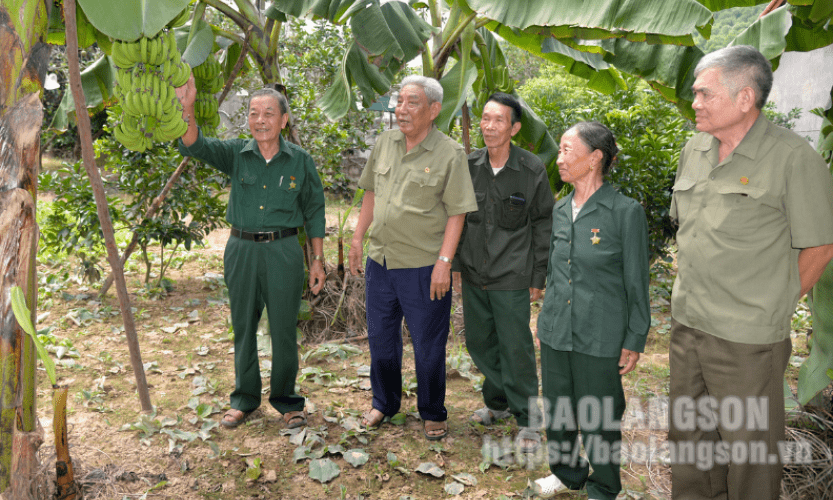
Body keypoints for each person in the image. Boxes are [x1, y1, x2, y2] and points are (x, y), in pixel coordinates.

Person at [667, 45, 833, 500]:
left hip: (747, 340)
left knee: (750, 453)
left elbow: (819, 247)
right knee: (691, 444)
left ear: (745, 98)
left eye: (704, 93)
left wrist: (771, 308)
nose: (695, 102)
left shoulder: (792, 158)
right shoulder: (695, 148)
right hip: (688, 326)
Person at [175, 77, 326, 429]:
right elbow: (194, 144)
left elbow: (316, 210)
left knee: (284, 328)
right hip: (241, 249)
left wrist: (317, 259)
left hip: (284, 251)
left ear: (283, 120)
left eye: (268, 113)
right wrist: (188, 108)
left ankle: (288, 401)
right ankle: (244, 398)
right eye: (254, 113)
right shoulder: (236, 153)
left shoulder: (300, 161)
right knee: (242, 324)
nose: (260, 120)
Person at [348, 75, 477, 440]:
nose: (401, 110)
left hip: (423, 266)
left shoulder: (449, 153)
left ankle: (432, 411)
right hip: (381, 261)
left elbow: (458, 213)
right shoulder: (385, 142)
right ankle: (384, 402)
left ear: (434, 110)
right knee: (381, 339)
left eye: (412, 102)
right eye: (400, 101)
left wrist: (444, 262)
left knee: (428, 343)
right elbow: (371, 192)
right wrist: (358, 238)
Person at [534, 122, 650, 500]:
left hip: (600, 331)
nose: (560, 157)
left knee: (599, 415)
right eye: (561, 149)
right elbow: (555, 270)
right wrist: (545, 319)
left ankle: (603, 485)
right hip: (557, 329)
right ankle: (568, 473)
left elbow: (636, 281)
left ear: (595, 157)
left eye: (568, 150)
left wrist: (634, 338)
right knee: (558, 408)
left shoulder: (624, 211)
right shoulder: (561, 208)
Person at [451, 92, 553, 453]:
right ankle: (497, 403)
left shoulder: (530, 169)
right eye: (485, 118)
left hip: (512, 276)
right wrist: (456, 268)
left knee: (516, 347)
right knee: (479, 342)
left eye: (498, 120)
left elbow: (543, 224)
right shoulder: (469, 165)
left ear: (514, 128)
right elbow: (458, 220)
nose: (489, 126)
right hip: (475, 273)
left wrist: (538, 277)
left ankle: (528, 418)